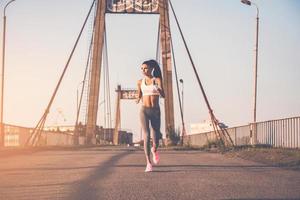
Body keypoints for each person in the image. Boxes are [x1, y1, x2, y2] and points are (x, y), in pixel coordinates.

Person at [136, 59, 165, 172]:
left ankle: (155, 149)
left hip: (155, 111)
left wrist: (158, 88)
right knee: (146, 135)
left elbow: (164, 95)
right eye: (142, 68)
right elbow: (139, 94)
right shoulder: (140, 82)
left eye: (146, 68)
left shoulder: (157, 80)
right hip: (144, 110)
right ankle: (148, 163)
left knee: (156, 136)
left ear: (152, 69)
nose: (143, 70)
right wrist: (138, 99)